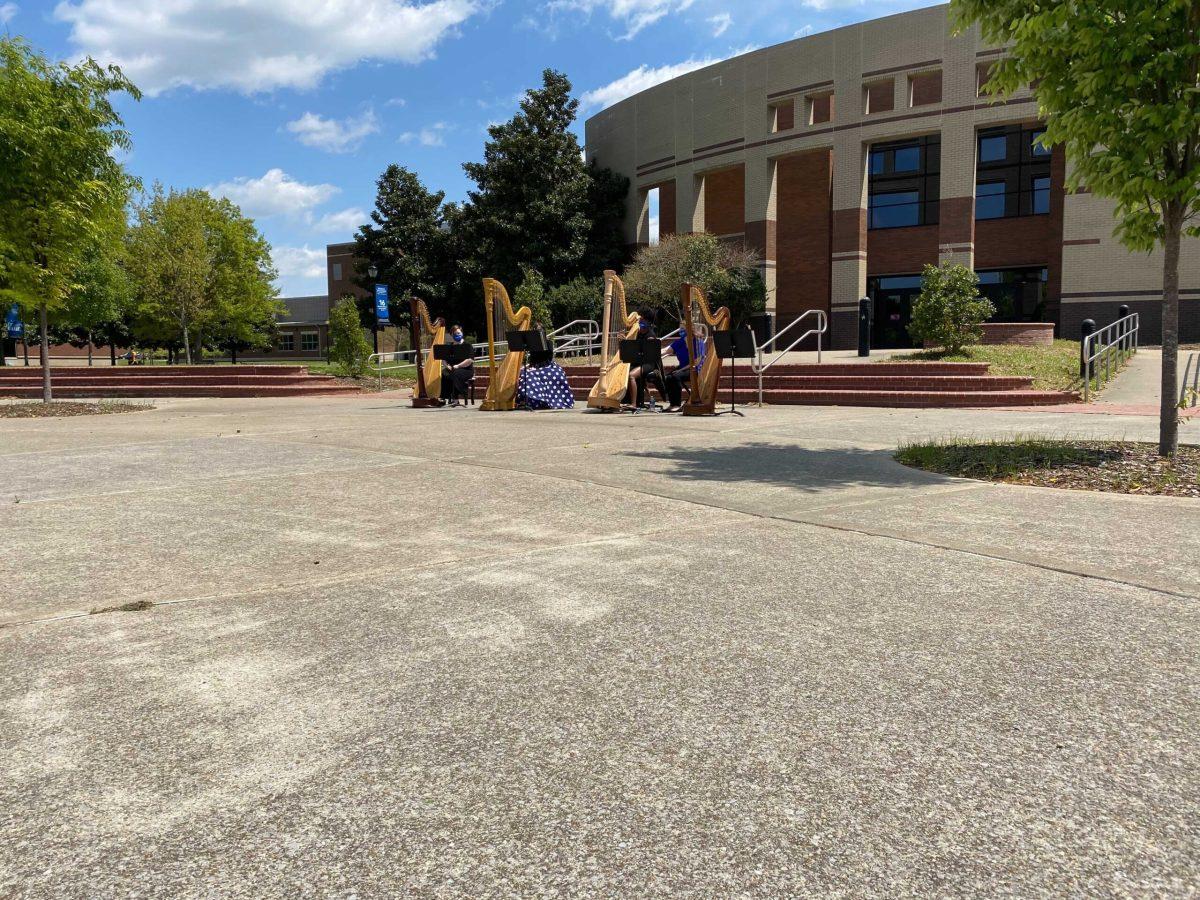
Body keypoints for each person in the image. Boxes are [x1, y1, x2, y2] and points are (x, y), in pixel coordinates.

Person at [516, 327, 574, 409]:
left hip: (547, 366)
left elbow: (549, 358)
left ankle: (546, 400)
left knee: (558, 375)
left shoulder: (549, 343)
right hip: (534, 366)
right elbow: (532, 360)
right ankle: (531, 400)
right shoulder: (531, 345)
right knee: (524, 375)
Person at [624, 309, 666, 410]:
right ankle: (631, 401)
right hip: (639, 362)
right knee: (625, 373)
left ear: (648, 322)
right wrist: (623, 342)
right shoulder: (637, 333)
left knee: (631, 375)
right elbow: (630, 351)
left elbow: (649, 356)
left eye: (642, 320)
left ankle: (634, 404)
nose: (639, 321)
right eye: (639, 320)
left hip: (649, 364)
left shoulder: (650, 336)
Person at [661, 323, 705, 413]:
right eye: (680, 329)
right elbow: (666, 350)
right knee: (668, 377)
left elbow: (696, 362)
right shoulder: (679, 342)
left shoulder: (697, 342)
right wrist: (651, 350)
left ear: (689, 329)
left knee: (675, 376)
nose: (680, 331)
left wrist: (680, 370)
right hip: (683, 368)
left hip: (696, 369)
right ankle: (672, 404)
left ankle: (677, 405)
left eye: (682, 329)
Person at [440, 325, 474, 406]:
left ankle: (456, 399)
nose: (457, 335)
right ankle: (444, 397)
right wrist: (446, 365)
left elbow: (470, 360)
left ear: (462, 333)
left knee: (455, 373)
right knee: (444, 372)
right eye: (455, 334)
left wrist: (458, 366)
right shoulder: (450, 346)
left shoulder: (467, 345)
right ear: (452, 335)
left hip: (466, 370)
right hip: (453, 368)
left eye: (458, 333)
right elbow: (443, 359)